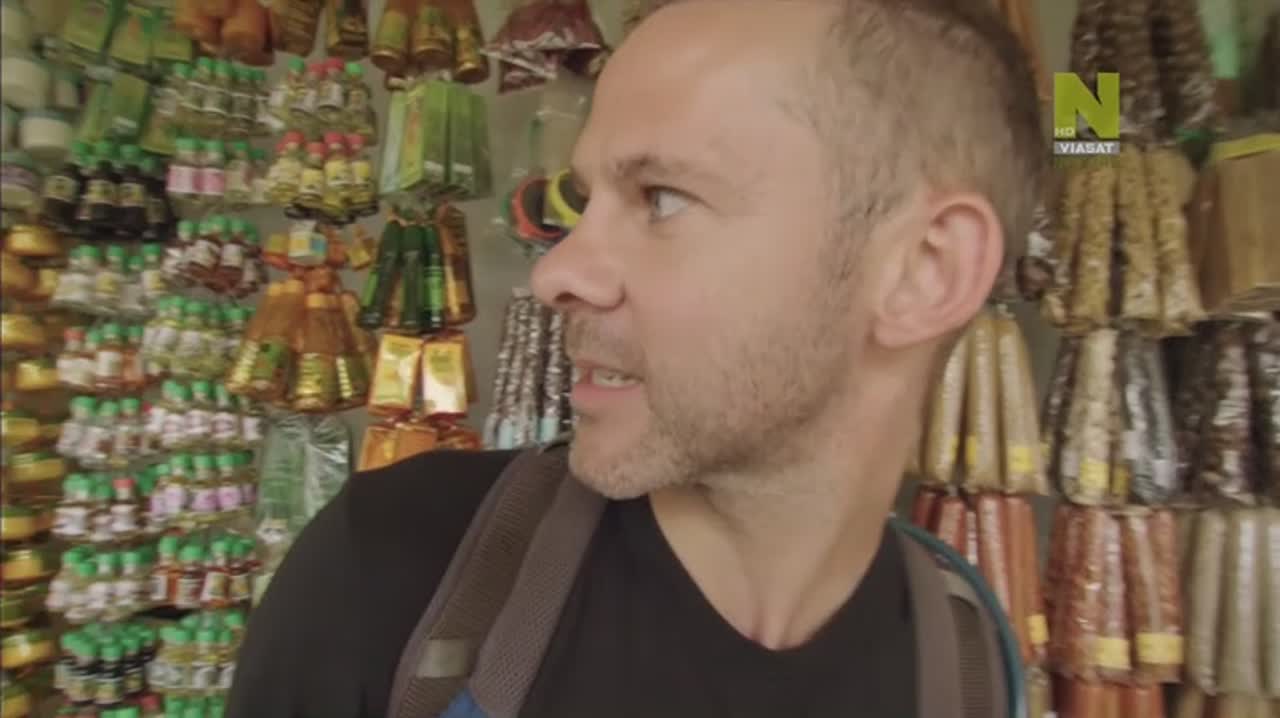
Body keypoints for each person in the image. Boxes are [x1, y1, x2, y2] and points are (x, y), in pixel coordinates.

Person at [227, 0, 1047, 715]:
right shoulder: (393, 576)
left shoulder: (968, 667)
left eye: (662, 198)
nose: (556, 274)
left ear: (924, 272)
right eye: (585, 202)